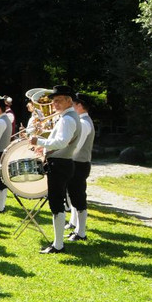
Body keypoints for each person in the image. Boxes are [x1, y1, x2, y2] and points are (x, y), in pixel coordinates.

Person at [30, 85, 81, 254]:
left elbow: (61, 142)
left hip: (60, 164)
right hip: (61, 162)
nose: (54, 104)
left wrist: (39, 142)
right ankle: (58, 243)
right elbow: (60, 141)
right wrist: (45, 149)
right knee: (56, 202)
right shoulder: (67, 117)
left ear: (69, 100)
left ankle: (58, 245)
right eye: (54, 101)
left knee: (56, 203)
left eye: (58, 100)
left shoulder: (67, 119)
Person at [67, 93, 95, 241]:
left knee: (78, 197)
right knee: (74, 195)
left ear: (79, 105)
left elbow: (76, 148)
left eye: (73, 104)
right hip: (77, 163)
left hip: (79, 164)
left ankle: (81, 232)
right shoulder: (81, 121)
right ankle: (75, 227)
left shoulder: (84, 123)